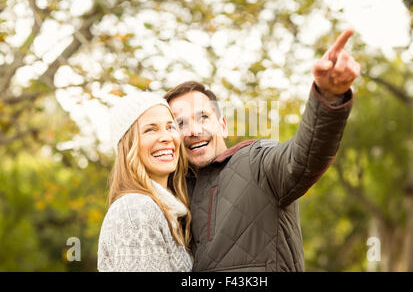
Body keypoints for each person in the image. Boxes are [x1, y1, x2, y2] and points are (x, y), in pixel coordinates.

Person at [164, 29, 361, 271]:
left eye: (203, 117)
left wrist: (329, 97)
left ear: (222, 126)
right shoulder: (172, 192)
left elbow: (303, 158)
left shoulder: (257, 161)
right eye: (180, 123)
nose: (193, 130)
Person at [97, 92, 193, 271]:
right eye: (151, 129)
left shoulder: (167, 210)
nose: (166, 137)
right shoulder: (136, 210)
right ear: (128, 145)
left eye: (170, 127)